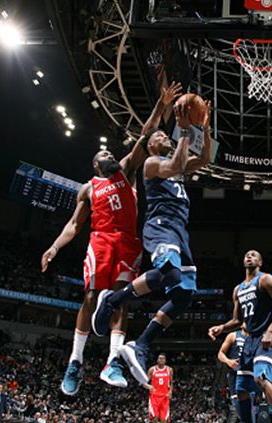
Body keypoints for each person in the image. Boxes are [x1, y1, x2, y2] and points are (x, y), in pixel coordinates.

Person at [42, 81, 183, 394]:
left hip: (128, 240)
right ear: (95, 163)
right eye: (102, 152)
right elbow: (73, 226)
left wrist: (161, 106)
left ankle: (113, 361)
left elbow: (145, 138)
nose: (108, 152)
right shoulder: (89, 187)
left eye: (109, 151)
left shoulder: (126, 171)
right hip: (101, 240)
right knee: (91, 297)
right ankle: (75, 362)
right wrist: (54, 247)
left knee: (121, 299)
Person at [92, 93, 213, 385]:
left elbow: (207, 158)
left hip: (180, 231)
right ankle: (113, 300)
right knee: (170, 273)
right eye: (159, 135)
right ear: (150, 146)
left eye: (165, 134)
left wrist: (205, 129)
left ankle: (141, 345)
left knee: (184, 295)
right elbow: (175, 165)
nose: (163, 136)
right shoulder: (152, 164)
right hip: (160, 227)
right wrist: (184, 129)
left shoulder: (176, 165)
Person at [208, 250, 272, 423]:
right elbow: (238, 320)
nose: (249, 256)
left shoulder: (265, 279)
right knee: (242, 390)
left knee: (260, 378)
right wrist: (221, 327)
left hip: (264, 336)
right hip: (249, 339)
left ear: (260, 262)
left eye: (253, 255)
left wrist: (270, 330)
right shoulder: (238, 289)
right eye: (246, 255)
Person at [218, 323, 248, 408]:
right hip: (235, 374)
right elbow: (220, 353)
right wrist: (228, 361)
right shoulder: (233, 336)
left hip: (249, 374)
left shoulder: (255, 337)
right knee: (237, 404)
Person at [144, 354, 173, 423]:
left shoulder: (169, 370)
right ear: (157, 360)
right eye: (160, 358)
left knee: (164, 420)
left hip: (165, 397)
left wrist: (170, 391)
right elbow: (143, 382)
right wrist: (148, 386)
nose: (161, 360)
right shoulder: (152, 370)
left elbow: (171, 382)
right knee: (154, 418)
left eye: (163, 358)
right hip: (154, 397)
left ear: (165, 361)